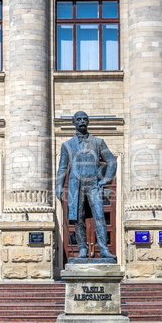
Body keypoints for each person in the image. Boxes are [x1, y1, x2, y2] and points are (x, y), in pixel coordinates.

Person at [56, 111, 117, 259]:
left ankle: (103, 250)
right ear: (74, 122)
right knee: (78, 218)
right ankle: (82, 249)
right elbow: (63, 167)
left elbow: (112, 161)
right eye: (79, 119)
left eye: (85, 119)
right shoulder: (67, 145)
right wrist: (58, 186)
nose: (82, 121)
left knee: (99, 216)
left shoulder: (98, 142)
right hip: (75, 186)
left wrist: (106, 180)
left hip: (94, 185)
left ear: (88, 122)